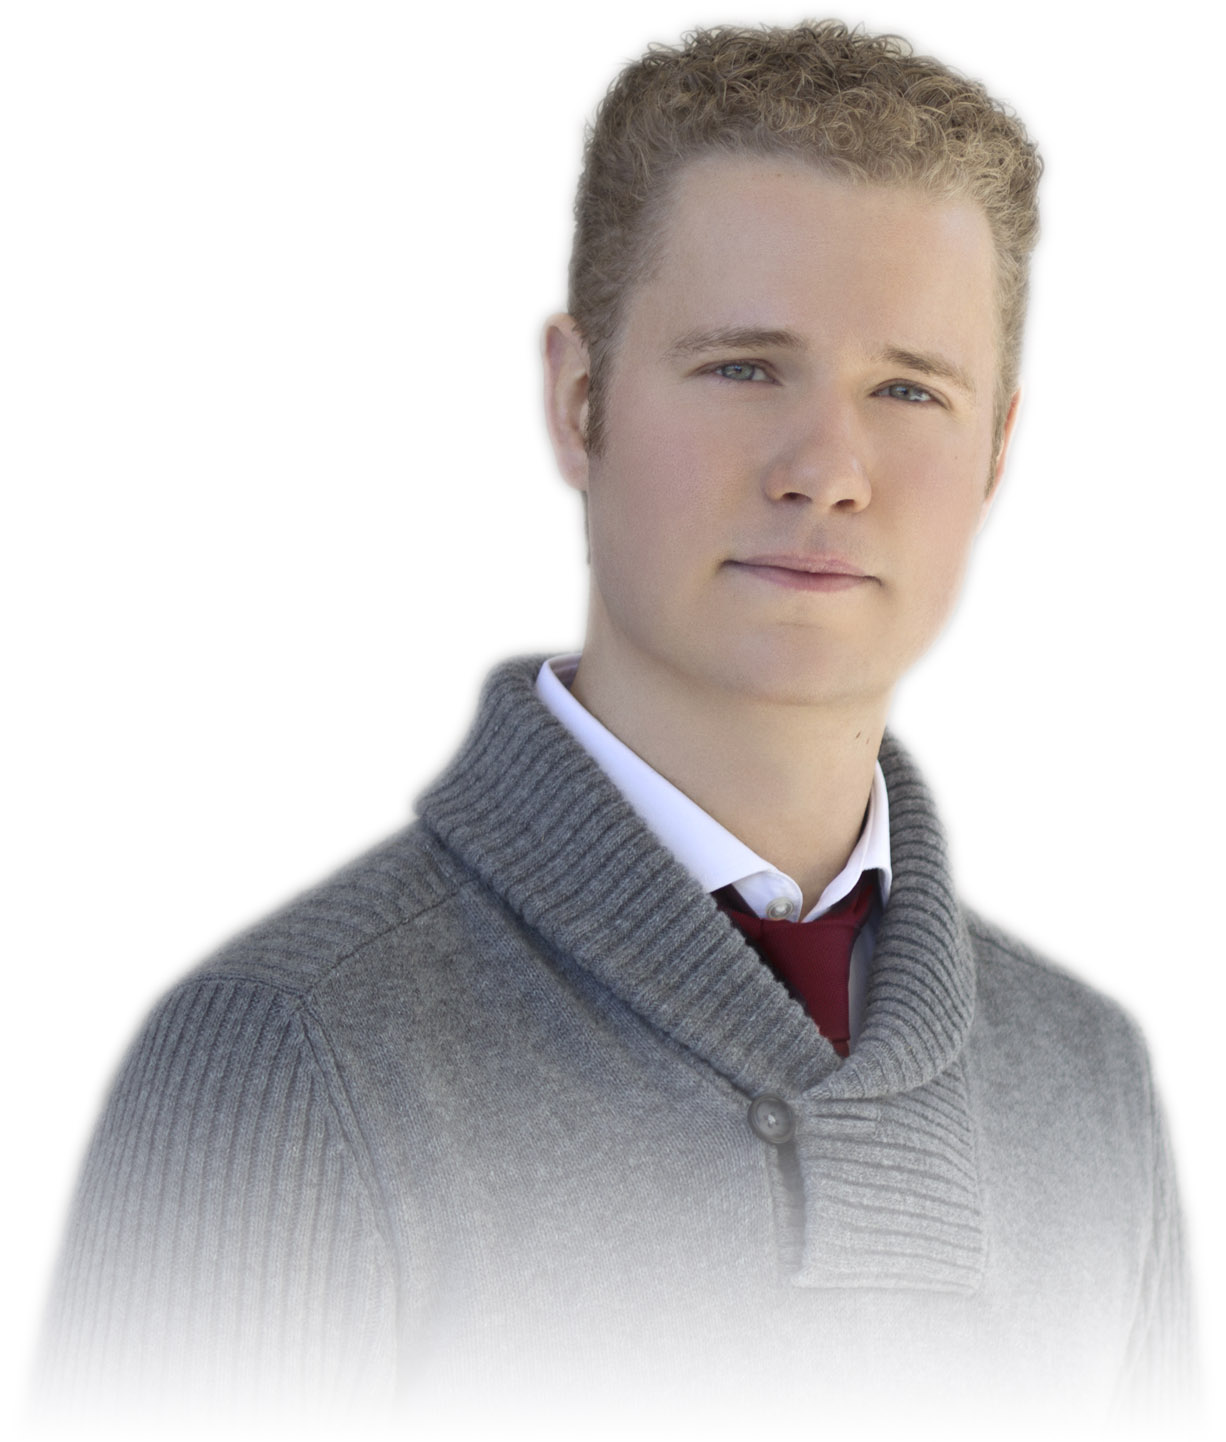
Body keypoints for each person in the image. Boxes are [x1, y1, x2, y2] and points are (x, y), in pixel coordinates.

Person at [35, 20, 1192, 1437]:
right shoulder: (288, 1060)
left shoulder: (1091, 1089)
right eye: (745, 366)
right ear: (580, 403)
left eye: (907, 389)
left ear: (996, 450)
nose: (827, 470)